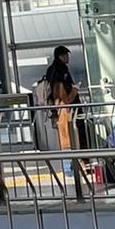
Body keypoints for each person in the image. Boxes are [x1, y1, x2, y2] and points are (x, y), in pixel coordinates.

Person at [38, 47, 80, 176]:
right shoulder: (59, 83)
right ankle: (69, 170)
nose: (68, 58)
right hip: (65, 113)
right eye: (66, 55)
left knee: (65, 141)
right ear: (61, 57)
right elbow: (66, 99)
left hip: (60, 113)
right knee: (68, 141)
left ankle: (71, 168)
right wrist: (75, 89)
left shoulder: (51, 74)